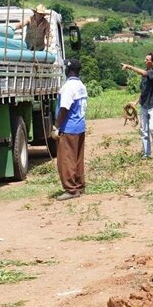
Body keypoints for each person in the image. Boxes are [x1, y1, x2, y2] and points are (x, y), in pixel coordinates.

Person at [53, 58, 88, 201]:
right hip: (80, 126)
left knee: (66, 160)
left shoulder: (68, 87)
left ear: (68, 70)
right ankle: (79, 185)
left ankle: (71, 189)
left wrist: (56, 126)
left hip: (69, 128)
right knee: (78, 159)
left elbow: (64, 109)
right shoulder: (81, 85)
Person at [121, 52, 153, 159]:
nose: (145, 61)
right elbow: (144, 90)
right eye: (145, 59)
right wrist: (136, 102)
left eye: (147, 60)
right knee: (144, 130)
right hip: (144, 105)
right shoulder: (145, 75)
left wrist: (130, 67)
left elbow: (144, 73)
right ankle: (146, 153)